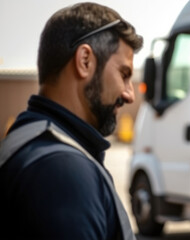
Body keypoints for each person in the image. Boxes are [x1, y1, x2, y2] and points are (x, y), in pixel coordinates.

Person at [0, 2, 143, 240]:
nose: (130, 94)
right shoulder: (62, 170)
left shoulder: (27, 144)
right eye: (124, 74)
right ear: (85, 61)